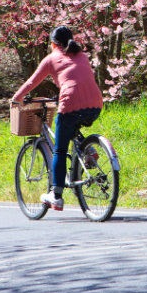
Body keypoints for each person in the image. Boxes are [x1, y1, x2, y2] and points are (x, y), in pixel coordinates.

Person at [11, 25, 103, 211]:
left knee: (60, 151)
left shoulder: (52, 58)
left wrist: (15, 99)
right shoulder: (82, 55)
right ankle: (89, 150)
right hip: (96, 104)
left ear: (53, 44)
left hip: (71, 104)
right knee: (73, 125)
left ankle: (57, 196)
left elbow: (31, 82)